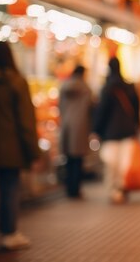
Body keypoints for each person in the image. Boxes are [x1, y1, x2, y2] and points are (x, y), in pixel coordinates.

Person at [0, 42, 40, 250]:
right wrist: (33, 151)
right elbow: (26, 120)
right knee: (10, 187)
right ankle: (9, 234)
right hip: (12, 146)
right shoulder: (16, 81)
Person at [93, 57, 140, 204]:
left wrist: (96, 130)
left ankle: (114, 189)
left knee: (111, 163)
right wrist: (137, 125)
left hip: (110, 133)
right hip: (128, 130)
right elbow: (137, 108)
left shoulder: (107, 89)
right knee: (124, 163)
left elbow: (101, 112)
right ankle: (122, 188)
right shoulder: (129, 87)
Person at [58, 65, 93, 199]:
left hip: (66, 125)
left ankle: (68, 188)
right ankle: (76, 189)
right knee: (78, 160)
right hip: (80, 126)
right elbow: (90, 107)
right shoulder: (85, 89)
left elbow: (60, 106)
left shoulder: (64, 86)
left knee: (68, 159)